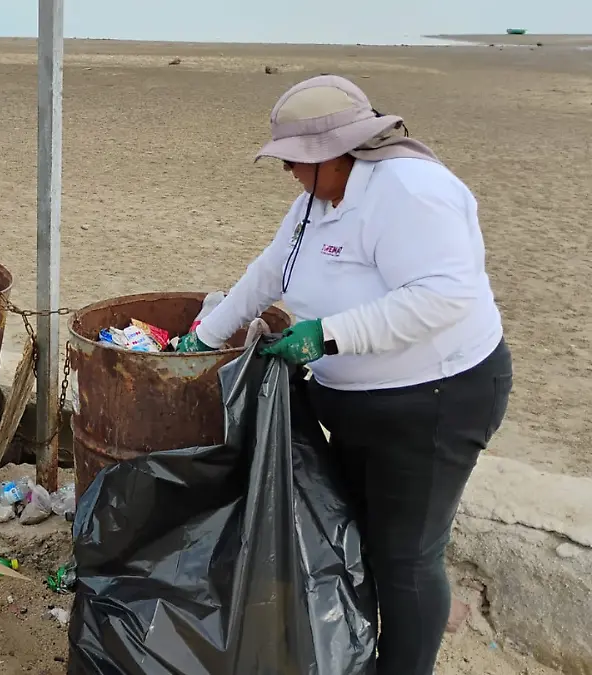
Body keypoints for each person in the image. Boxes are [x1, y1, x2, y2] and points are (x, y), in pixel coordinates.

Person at [190, 75, 512, 674]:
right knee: (356, 527)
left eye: (294, 159)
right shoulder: (317, 200)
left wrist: (328, 334)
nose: (287, 171)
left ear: (336, 153)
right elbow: (270, 271)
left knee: (405, 556)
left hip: (434, 400)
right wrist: (204, 337)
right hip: (357, 401)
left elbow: (444, 298)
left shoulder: (411, 192)